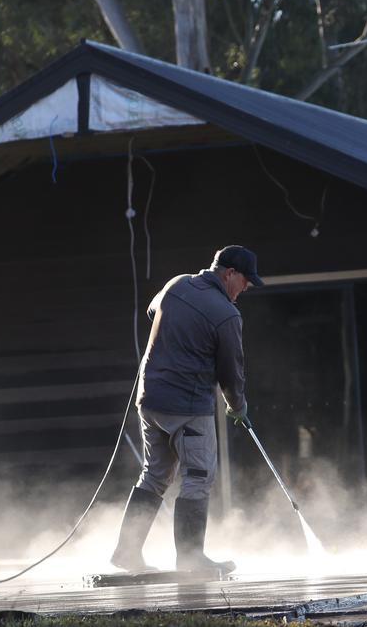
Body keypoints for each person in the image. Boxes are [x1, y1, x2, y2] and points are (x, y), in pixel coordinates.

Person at [111, 245, 263, 574]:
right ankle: (192, 560)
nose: (247, 287)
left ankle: (126, 552)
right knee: (198, 476)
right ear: (229, 274)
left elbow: (155, 313)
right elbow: (231, 370)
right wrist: (238, 406)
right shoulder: (226, 314)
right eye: (246, 280)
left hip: (149, 399)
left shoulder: (177, 284)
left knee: (154, 475)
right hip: (187, 406)